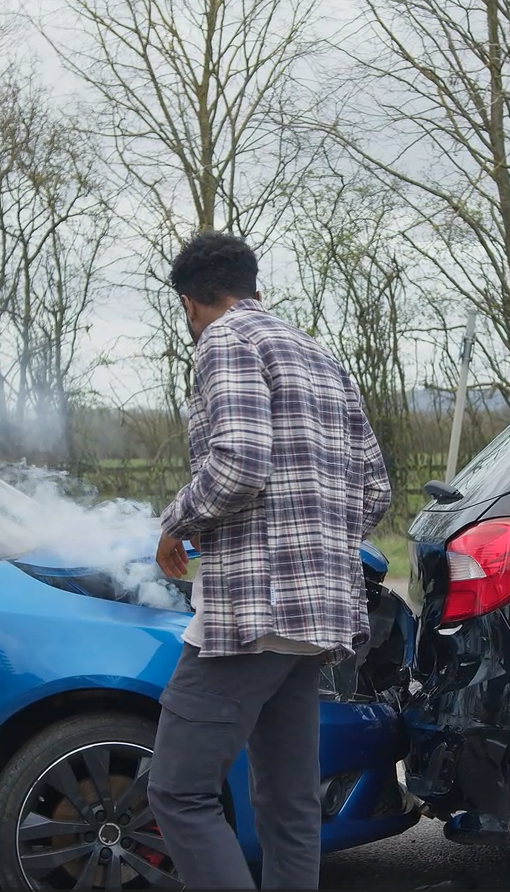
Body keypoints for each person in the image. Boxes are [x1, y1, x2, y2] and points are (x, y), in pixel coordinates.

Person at [148, 230, 391, 889]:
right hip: (315, 615)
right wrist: (316, 543)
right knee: (289, 803)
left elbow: (238, 464)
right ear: (253, 285)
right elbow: (375, 488)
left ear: (190, 301)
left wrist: (176, 523)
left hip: (253, 611)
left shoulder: (224, 340)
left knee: (177, 790)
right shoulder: (320, 356)